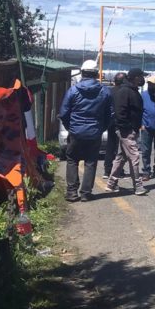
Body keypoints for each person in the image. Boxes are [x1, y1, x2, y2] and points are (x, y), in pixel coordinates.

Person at [59, 59, 113, 202]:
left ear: (82, 72)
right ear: (96, 74)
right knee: (91, 161)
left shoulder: (73, 90)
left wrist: (70, 127)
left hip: (76, 131)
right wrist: (102, 128)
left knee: (72, 159)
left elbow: (64, 113)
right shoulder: (104, 91)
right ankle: (86, 193)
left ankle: (71, 192)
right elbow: (110, 114)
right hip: (95, 132)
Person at [107, 67, 148, 195]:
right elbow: (120, 112)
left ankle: (111, 184)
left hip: (130, 130)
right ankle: (138, 186)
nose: (143, 79)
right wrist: (127, 128)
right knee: (134, 156)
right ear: (136, 77)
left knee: (121, 157)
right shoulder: (125, 91)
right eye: (141, 76)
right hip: (126, 131)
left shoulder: (133, 90)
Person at [102, 71, 126, 179]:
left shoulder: (109, 92)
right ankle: (118, 171)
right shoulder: (125, 92)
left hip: (111, 122)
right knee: (120, 148)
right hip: (122, 123)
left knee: (110, 146)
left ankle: (107, 171)